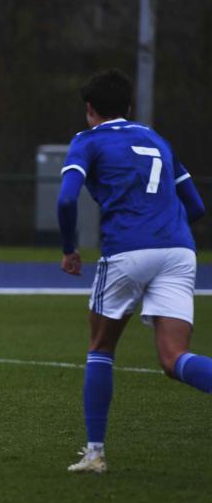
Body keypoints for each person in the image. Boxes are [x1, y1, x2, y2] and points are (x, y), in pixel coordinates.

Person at [58, 69, 212, 473]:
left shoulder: (87, 140)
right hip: (179, 250)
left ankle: (94, 454)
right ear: (128, 106)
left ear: (90, 110)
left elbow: (65, 200)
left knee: (100, 348)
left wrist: (70, 249)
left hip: (127, 249)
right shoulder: (157, 139)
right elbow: (195, 206)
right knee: (174, 357)